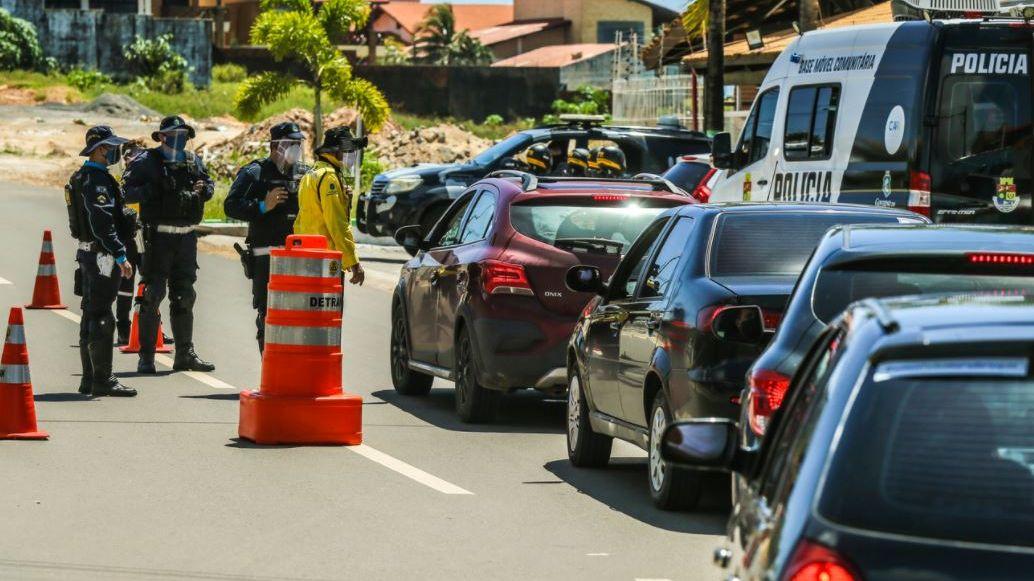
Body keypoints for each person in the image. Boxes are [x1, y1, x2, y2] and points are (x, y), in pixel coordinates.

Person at [123, 115, 215, 374]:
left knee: (185, 295)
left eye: (184, 133)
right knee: (153, 294)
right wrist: (154, 190)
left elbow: (209, 183)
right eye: (174, 133)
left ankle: (185, 354)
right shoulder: (146, 162)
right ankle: (147, 357)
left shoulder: (192, 160)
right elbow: (126, 192)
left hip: (186, 236)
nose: (180, 137)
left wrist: (204, 189)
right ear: (162, 136)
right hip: (158, 237)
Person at [224, 122, 310, 352]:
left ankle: (293, 372)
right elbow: (231, 206)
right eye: (290, 143)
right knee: (269, 315)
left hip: (298, 257)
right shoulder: (255, 172)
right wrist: (263, 205)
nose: (296, 148)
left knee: (298, 316)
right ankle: (270, 372)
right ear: (275, 146)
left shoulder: (304, 173)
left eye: (298, 143)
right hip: (266, 257)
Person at [66, 126, 137, 397]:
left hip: (89, 254)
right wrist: (120, 254)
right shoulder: (96, 180)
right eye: (110, 147)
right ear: (99, 150)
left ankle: (89, 378)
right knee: (102, 317)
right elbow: (101, 222)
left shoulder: (82, 176)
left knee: (91, 314)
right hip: (102, 256)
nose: (115, 152)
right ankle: (102, 379)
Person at [294, 126, 366, 286]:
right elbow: (337, 223)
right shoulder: (329, 178)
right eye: (347, 150)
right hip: (325, 260)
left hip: (307, 256)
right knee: (327, 310)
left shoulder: (311, 174)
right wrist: (353, 262)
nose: (351, 155)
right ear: (335, 151)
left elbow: (302, 219)